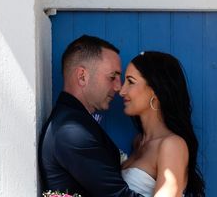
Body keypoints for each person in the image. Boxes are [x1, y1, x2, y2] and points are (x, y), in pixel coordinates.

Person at [39, 35, 144, 197]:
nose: (118, 87)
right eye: (112, 77)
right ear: (82, 76)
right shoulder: (70, 132)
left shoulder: (73, 122)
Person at [119, 51, 205, 197]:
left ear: (155, 91)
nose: (121, 91)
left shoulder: (172, 145)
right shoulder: (138, 142)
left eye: (130, 82)